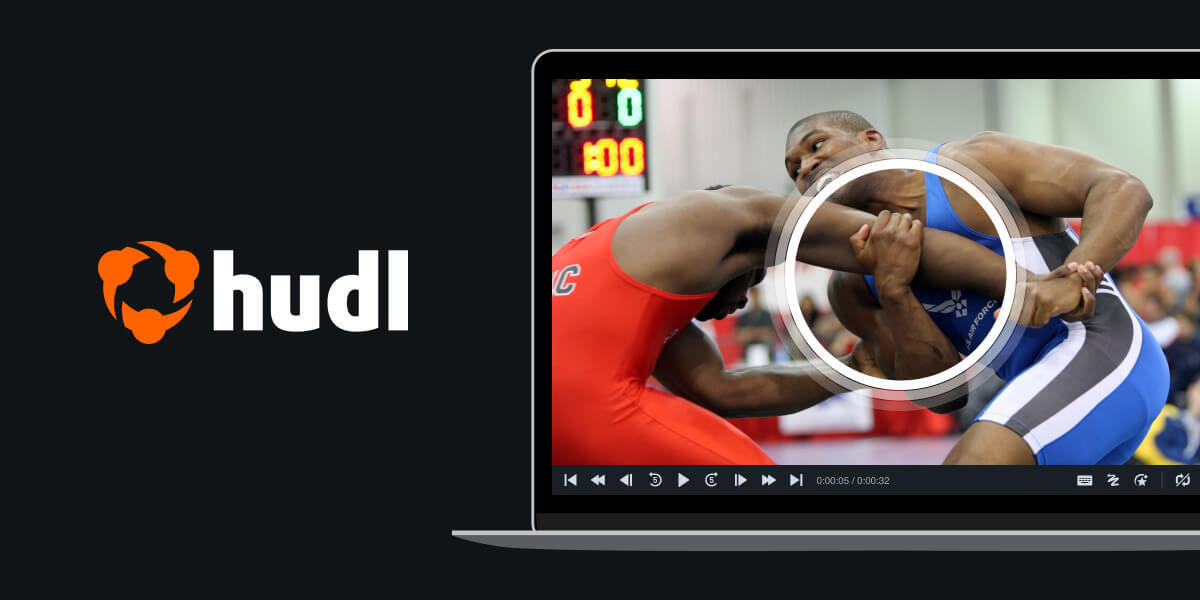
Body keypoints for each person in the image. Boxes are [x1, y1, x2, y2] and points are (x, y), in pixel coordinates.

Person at [552, 182, 1094, 465]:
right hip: (586, 407)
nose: (743, 301)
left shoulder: (619, 262)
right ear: (742, 253)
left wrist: (855, 368)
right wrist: (1030, 284)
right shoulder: (723, 214)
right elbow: (896, 243)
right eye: (751, 279)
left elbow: (723, 391)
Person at [785, 110, 1168, 465]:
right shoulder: (852, 287)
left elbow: (1123, 188)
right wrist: (893, 289)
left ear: (871, 139)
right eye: (794, 169)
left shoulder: (971, 166)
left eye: (816, 145)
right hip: (1043, 388)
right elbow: (945, 397)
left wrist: (1074, 276)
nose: (806, 167)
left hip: (1103, 350)